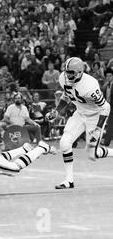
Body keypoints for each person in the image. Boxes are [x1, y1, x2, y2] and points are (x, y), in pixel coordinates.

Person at [46, 57, 111, 189]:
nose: (67, 75)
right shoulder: (63, 77)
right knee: (64, 143)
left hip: (94, 116)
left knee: (93, 154)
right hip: (80, 113)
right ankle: (69, 180)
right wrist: (56, 112)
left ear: (80, 72)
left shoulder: (90, 86)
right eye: (66, 71)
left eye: (71, 72)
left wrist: (98, 129)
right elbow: (67, 96)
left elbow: (106, 107)